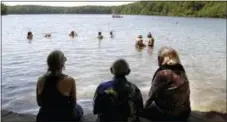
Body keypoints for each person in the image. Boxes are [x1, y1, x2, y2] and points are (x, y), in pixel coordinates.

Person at [143, 47, 191, 121]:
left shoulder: (163, 73)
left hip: (170, 117)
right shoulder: (181, 69)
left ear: (160, 58)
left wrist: (143, 109)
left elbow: (151, 96)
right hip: (185, 114)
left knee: (140, 109)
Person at [36, 50, 83, 122]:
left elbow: (39, 103)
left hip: (44, 117)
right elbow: (73, 104)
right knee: (79, 108)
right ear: (62, 64)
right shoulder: (70, 80)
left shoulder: (40, 80)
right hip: (64, 117)